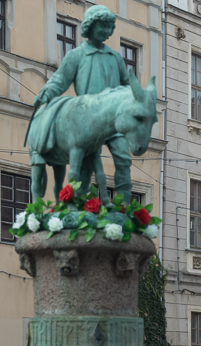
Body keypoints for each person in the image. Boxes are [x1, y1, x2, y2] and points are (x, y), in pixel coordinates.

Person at [27, 5, 134, 201]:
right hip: (87, 119)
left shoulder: (115, 57)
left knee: (123, 159)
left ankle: (125, 207)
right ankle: (79, 202)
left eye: (110, 27)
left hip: (115, 120)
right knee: (85, 165)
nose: (107, 31)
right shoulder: (77, 55)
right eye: (102, 25)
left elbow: (128, 87)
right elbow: (60, 80)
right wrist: (46, 93)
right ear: (90, 26)